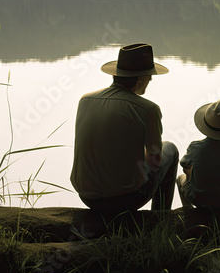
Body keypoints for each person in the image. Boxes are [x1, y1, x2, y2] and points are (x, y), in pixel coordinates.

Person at [70, 43, 179, 213]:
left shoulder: (85, 100)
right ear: (140, 79)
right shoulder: (148, 109)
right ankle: (160, 217)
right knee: (170, 149)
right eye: (149, 77)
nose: (150, 80)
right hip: (126, 199)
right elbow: (155, 159)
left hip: (87, 197)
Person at [176, 99, 220, 209]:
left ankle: (188, 211)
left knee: (180, 178)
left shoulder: (195, 147)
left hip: (198, 199)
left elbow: (184, 163)